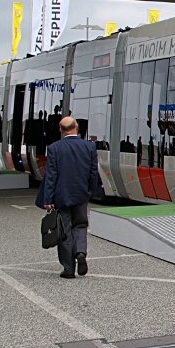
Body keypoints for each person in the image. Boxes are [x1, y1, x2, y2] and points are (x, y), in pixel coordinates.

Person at [35, 116, 102, 278]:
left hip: (61, 195)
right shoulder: (89, 147)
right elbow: (93, 173)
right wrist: (91, 192)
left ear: (60, 130)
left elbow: (51, 176)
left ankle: (68, 269)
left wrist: (48, 199)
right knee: (80, 225)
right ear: (77, 127)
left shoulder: (54, 148)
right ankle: (80, 252)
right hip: (81, 193)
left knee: (64, 230)